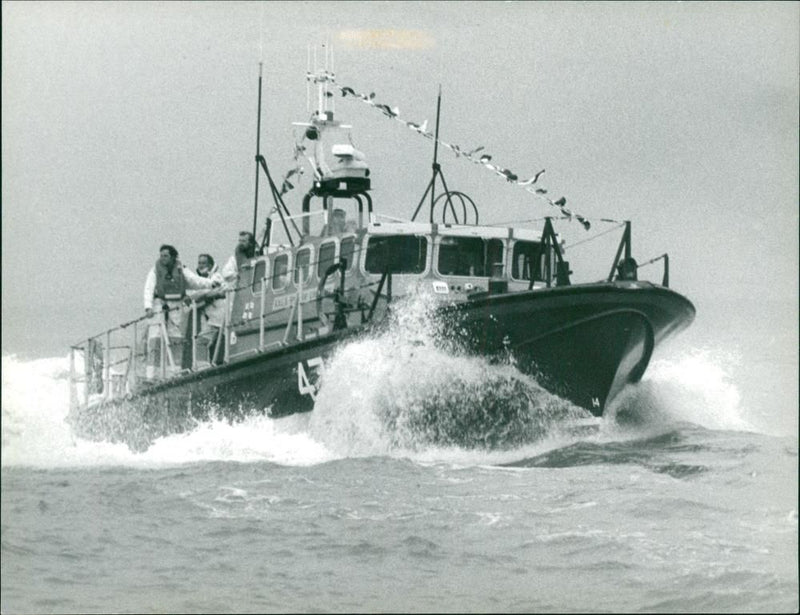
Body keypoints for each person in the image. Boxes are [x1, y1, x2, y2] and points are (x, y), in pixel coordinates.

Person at [143, 244, 215, 379]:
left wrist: (211, 283)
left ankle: (173, 373)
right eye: (161, 255)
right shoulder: (155, 271)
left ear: (173, 257)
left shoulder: (181, 269)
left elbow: (195, 281)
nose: (163, 258)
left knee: (175, 339)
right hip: (159, 306)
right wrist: (148, 307)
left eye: (166, 256)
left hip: (176, 307)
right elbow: (149, 288)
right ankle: (152, 375)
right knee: (156, 339)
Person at [183, 253, 227, 367]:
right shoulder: (202, 281)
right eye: (199, 263)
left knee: (202, 342)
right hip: (212, 320)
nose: (201, 265)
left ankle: (203, 368)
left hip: (218, 318)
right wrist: (203, 297)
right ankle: (206, 366)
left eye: (204, 263)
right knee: (204, 342)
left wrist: (198, 297)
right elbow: (198, 298)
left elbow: (206, 292)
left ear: (210, 265)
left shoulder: (216, 277)